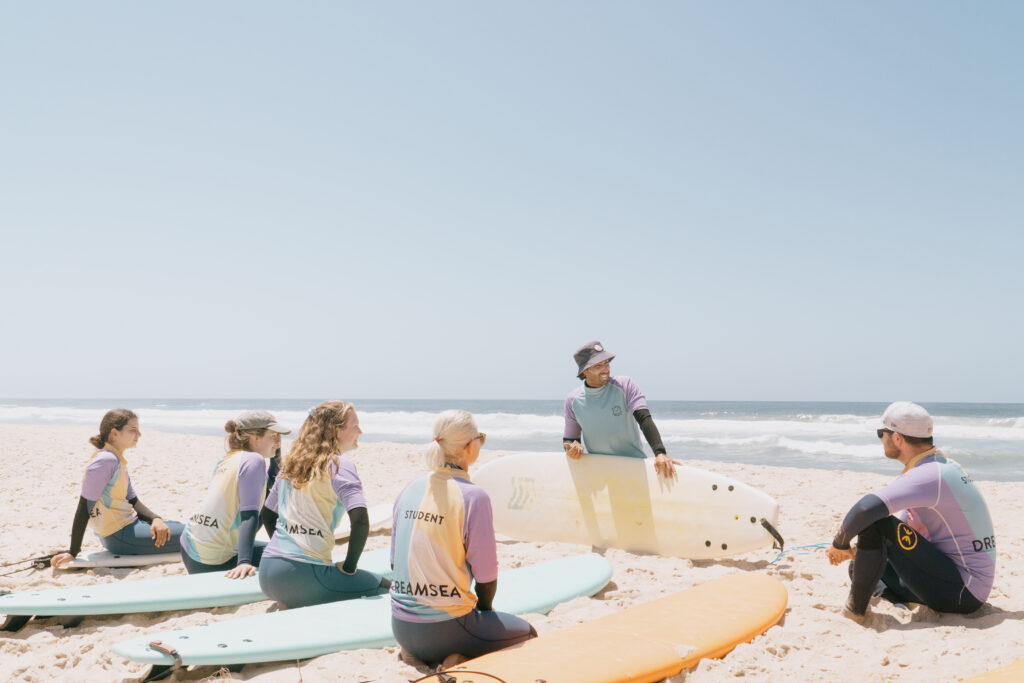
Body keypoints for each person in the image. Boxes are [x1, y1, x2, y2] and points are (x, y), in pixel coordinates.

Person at [390, 409, 536, 668]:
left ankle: (438, 654)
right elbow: (486, 577)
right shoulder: (473, 497)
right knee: (528, 634)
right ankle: (458, 656)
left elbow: (394, 563)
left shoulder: (409, 489)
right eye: (480, 437)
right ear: (470, 446)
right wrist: (485, 615)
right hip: (445, 630)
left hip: (401, 627)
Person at [826, 402, 996, 623]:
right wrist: (856, 551)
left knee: (877, 522)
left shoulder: (928, 475)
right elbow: (905, 539)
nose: (880, 439)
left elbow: (865, 508)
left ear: (897, 438)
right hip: (952, 581)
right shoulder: (941, 466)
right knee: (860, 567)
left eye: (881, 433)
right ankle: (895, 601)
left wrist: (840, 544)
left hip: (963, 592)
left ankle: (854, 612)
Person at [257, 401, 388, 607]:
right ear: (336, 430)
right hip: (303, 577)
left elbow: (267, 514)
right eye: (355, 426)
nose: (360, 431)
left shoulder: (291, 464)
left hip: (267, 573)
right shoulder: (339, 465)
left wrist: (285, 550)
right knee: (383, 585)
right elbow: (361, 521)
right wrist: (350, 566)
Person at [51, 409, 184, 569]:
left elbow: (132, 500)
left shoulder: (116, 460)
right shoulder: (104, 462)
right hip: (121, 536)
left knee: (182, 527)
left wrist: (155, 519)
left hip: (127, 528)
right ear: (114, 433)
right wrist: (73, 551)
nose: (139, 434)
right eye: (133, 430)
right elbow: (84, 507)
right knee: (194, 535)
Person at [179, 410, 290, 577]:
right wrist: (244, 562)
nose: (277, 441)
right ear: (255, 438)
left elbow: (271, 487)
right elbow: (249, 516)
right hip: (213, 561)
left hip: (189, 548)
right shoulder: (255, 460)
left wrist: (276, 452)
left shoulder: (228, 458)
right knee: (291, 556)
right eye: (273, 435)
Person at [563, 341, 679, 479]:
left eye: (606, 363)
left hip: (633, 465)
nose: (605, 369)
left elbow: (644, 419)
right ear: (585, 371)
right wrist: (572, 448)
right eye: (598, 366)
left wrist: (660, 453)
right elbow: (570, 440)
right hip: (598, 470)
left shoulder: (625, 385)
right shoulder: (573, 400)